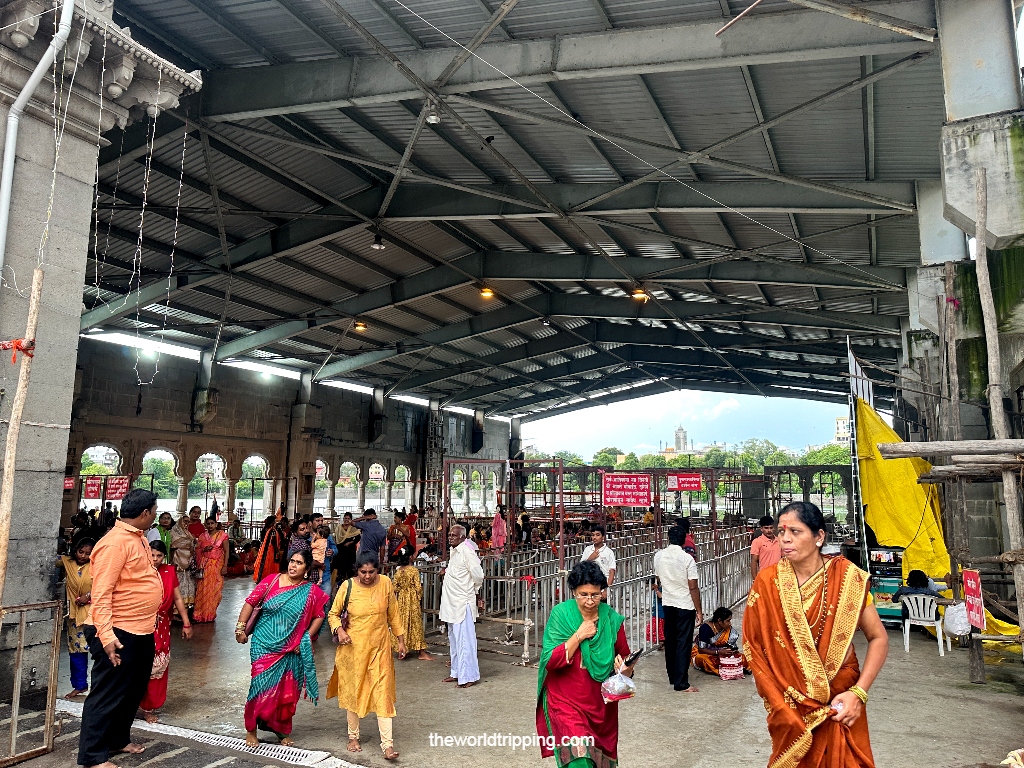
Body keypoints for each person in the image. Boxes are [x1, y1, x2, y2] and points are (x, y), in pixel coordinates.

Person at [743, 501, 888, 767]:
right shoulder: (767, 582)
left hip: (842, 701)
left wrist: (859, 693)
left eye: (795, 531)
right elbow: (753, 647)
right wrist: (778, 701)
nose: (785, 539)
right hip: (791, 706)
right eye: (781, 531)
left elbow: (878, 638)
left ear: (819, 536)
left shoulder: (848, 580)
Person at [78, 489, 163, 768]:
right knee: (108, 692)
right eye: (154, 510)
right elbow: (101, 594)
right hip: (116, 630)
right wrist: (106, 636)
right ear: (144, 514)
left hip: (140, 628)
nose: (155, 515)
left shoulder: (136, 538)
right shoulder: (114, 543)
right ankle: (92, 756)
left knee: (131, 689)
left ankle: (117, 740)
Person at [537, 560, 635, 768]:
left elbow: (625, 659)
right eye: (583, 595)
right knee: (579, 760)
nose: (589, 601)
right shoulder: (561, 615)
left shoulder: (611, 619)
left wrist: (626, 670)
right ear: (574, 592)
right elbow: (550, 661)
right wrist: (578, 636)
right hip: (566, 702)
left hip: (601, 708)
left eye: (595, 595)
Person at [236, 549, 329, 747]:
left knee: (285, 692)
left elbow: (320, 615)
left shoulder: (310, 590)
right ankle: (251, 729)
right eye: (292, 561)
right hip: (263, 644)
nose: (293, 565)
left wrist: (306, 638)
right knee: (259, 687)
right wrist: (240, 628)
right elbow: (250, 603)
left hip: (291, 649)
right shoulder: (271, 580)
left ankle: (280, 730)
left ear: (307, 568)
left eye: (299, 563)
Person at [327, 552, 406, 760]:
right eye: (363, 572)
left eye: (372, 572)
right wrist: (340, 631)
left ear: (378, 570)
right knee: (354, 692)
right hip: (353, 650)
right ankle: (353, 736)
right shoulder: (347, 586)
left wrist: (400, 640)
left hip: (380, 649)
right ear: (357, 570)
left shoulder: (386, 584)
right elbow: (333, 614)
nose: (368, 576)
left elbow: (394, 613)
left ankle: (388, 745)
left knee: (383, 693)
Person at [139, 541, 192, 722]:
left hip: (161, 626)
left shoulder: (169, 572)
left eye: (159, 556)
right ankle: (131, 703)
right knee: (137, 665)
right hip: (140, 623)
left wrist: (186, 622)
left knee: (157, 666)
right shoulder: (139, 570)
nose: (155, 559)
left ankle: (149, 707)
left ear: (164, 556)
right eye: (152, 555)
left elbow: (177, 598)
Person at [653, 526, 702, 693]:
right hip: (685, 604)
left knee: (671, 640)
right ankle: (681, 683)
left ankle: (673, 676)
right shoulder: (687, 559)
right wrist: (699, 610)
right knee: (683, 642)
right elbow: (693, 587)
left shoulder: (659, 556)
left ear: (669, 538)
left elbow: (659, 577)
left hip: (668, 602)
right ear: (684, 540)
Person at [440, 524, 484, 688]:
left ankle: (469, 676)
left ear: (463, 537)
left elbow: (478, 575)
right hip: (451, 603)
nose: (450, 537)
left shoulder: (466, 551)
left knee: (465, 640)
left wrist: (473, 591)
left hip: (462, 603)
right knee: (454, 639)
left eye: (454, 535)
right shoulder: (454, 551)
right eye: (450, 534)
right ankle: (457, 672)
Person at [58, 537, 94, 698]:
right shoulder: (67, 563)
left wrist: (88, 596)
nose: (83, 556)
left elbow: (107, 586)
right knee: (76, 652)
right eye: (81, 552)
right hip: (74, 615)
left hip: (94, 613)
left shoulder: (97, 567)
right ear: (75, 550)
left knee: (100, 653)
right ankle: (79, 685)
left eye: (88, 553)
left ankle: (102, 689)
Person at [391, 547, 433, 660]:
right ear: (410, 557)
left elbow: (394, 587)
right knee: (415, 623)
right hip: (412, 599)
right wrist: (417, 596)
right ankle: (422, 652)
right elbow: (418, 587)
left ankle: (403, 649)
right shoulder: (414, 570)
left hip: (402, 600)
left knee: (403, 623)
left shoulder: (398, 571)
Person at [193, 516, 230, 623]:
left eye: (212, 523)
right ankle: (199, 614)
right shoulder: (202, 536)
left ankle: (210, 614)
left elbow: (227, 551)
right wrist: (204, 549)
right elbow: (197, 550)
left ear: (216, 524)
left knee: (215, 589)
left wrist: (225, 566)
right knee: (202, 589)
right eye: (208, 523)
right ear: (205, 524)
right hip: (204, 565)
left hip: (217, 566)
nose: (210, 526)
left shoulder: (223, 536)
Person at [692, 607, 748, 675]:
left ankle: (730, 668)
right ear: (720, 621)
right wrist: (718, 652)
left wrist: (731, 651)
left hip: (722, 653)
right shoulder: (705, 628)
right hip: (705, 653)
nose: (730, 623)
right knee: (705, 660)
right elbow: (701, 650)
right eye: (728, 621)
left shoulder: (728, 629)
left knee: (742, 657)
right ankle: (723, 671)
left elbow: (731, 645)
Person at [170, 513, 196, 617]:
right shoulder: (174, 532)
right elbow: (175, 543)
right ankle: (176, 612)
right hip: (178, 562)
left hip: (187, 563)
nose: (187, 523)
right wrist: (189, 543)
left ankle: (184, 610)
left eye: (188, 522)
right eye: (185, 521)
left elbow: (192, 545)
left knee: (187, 586)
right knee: (178, 586)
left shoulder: (188, 533)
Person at [253, 516, 284, 583]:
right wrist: (277, 551)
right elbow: (273, 541)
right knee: (270, 564)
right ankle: (270, 578)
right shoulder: (272, 530)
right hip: (270, 550)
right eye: (274, 521)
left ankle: (264, 578)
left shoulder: (265, 529)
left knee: (264, 564)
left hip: (265, 549)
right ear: (272, 522)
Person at [751, 514, 782, 579]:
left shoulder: (779, 541)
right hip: (764, 577)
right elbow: (754, 561)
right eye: (766, 528)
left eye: (771, 528)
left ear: (774, 528)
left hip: (778, 577)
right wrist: (755, 580)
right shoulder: (757, 542)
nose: (769, 530)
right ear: (761, 529)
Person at [333, 512, 361, 582]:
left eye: (348, 518)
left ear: (351, 519)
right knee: (339, 568)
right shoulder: (339, 527)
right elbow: (336, 537)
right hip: (340, 550)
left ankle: (349, 583)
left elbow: (358, 537)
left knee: (349, 568)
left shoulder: (353, 528)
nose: (346, 520)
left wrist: (350, 542)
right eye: (345, 518)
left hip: (349, 551)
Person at [310, 524, 336, 593]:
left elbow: (335, 549)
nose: (320, 523)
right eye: (317, 521)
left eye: (321, 520)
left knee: (326, 598)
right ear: (311, 523)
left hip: (325, 574)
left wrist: (332, 551)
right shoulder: (308, 536)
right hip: (311, 576)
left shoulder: (328, 537)